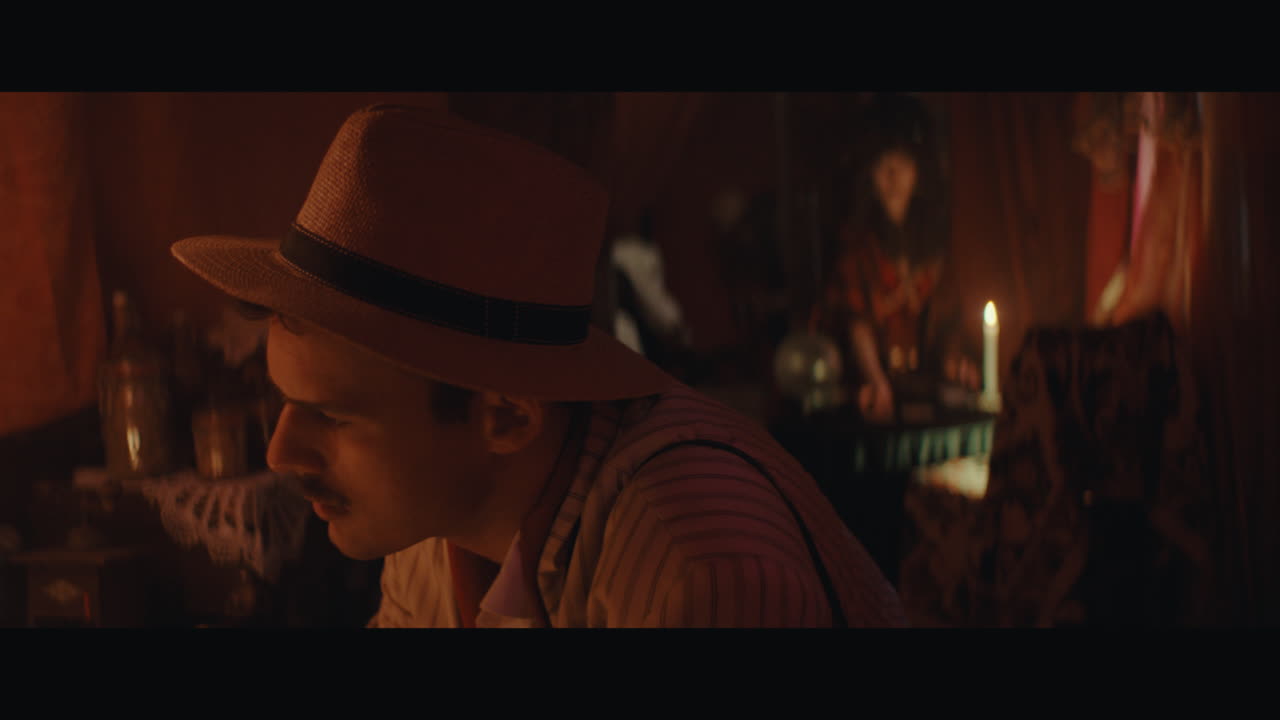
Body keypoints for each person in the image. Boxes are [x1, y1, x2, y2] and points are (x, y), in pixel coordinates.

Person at [170, 104, 906, 628]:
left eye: (331, 414)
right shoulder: (438, 519)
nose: (278, 452)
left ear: (507, 414)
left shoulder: (699, 572)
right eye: (285, 402)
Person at [814, 94, 978, 423]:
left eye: (903, 162)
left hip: (926, 398)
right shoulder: (857, 252)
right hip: (869, 403)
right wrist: (875, 379)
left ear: (920, 170)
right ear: (868, 174)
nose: (892, 174)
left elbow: (948, 322)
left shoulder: (936, 253)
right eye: (882, 163)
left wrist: (954, 360)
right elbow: (855, 322)